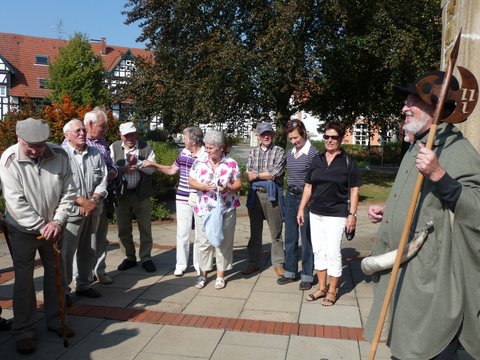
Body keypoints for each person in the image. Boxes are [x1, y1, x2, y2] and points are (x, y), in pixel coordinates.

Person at [364, 70, 480, 360]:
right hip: (406, 278)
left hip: (432, 285)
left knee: (425, 347)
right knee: (404, 346)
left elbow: (476, 209)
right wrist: (389, 209)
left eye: (412, 101)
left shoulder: (457, 150)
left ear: (435, 107)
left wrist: (440, 175)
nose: (404, 108)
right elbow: (419, 199)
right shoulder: (418, 145)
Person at [0, 118, 76, 354]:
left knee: (56, 274)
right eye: (30, 146)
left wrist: (58, 220)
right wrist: (43, 225)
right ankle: (24, 330)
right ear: (18, 139)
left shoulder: (60, 155)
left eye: (40, 146)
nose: (35, 151)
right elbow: (15, 203)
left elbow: (69, 191)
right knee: (24, 280)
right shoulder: (9, 159)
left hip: (54, 225)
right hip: (22, 229)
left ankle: (55, 320)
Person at [297, 121, 362, 306]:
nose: (330, 140)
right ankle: (322, 287)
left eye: (334, 137)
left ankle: (333, 290)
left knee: (333, 251)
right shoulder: (317, 159)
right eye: (327, 137)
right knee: (319, 250)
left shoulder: (348, 162)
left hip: (336, 214)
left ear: (341, 139)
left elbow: (355, 190)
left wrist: (352, 215)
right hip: (315, 212)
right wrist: (302, 208)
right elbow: (309, 186)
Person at [143, 127, 207, 276]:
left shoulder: (205, 155)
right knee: (182, 232)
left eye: (185, 138)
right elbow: (172, 170)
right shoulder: (183, 152)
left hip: (200, 197)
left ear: (193, 140)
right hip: (183, 197)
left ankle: (199, 264)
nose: (183, 140)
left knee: (200, 232)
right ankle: (181, 264)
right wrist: (154, 164)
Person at [188, 130, 241, 289]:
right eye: (206, 147)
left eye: (211, 148)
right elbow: (190, 181)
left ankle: (220, 275)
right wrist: (203, 186)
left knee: (223, 242)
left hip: (226, 208)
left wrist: (228, 188)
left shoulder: (231, 163)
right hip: (204, 208)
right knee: (203, 242)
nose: (207, 150)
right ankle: (202, 274)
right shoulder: (199, 162)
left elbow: (239, 184)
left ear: (221, 148)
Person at [61, 119, 108, 301]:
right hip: (72, 212)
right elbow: (59, 186)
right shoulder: (61, 155)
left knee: (89, 249)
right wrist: (79, 204)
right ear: (67, 135)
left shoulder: (95, 153)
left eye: (83, 130)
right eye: (77, 131)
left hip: (93, 209)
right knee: (66, 252)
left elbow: (103, 179)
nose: (82, 133)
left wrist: (94, 200)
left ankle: (84, 284)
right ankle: (64, 290)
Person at [277, 119, 319, 290]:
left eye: (296, 138)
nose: (294, 141)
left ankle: (307, 275)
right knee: (290, 237)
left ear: (303, 134)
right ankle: (290, 271)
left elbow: (315, 181)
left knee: (307, 238)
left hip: (306, 197)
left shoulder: (313, 154)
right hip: (290, 196)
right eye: (291, 139)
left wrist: (307, 202)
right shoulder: (290, 153)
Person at [110, 122, 157, 273]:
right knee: (123, 228)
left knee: (145, 227)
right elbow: (109, 169)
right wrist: (123, 168)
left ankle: (146, 257)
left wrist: (138, 163)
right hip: (121, 194)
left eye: (132, 134)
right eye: (126, 135)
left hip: (140, 193)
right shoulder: (114, 147)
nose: (130, 138)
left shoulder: (145, 146)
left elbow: (152, 169)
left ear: (137, 133)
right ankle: (129, 257)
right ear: (121, 136)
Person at [243, 122, 286, 277]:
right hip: (255, 195)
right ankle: (253, 263)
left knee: (276, 232)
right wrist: (265, 175)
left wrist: (258, 175)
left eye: (268, 133)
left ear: (273, 134)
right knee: (255, 232)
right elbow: (248, 175)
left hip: (272, 196)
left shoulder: (280, 151)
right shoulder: (253, 153)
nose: (266, 136)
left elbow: (276, 173)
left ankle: (278, 263)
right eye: (263, 134)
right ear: (258, 136)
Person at [84, 108, 119, 285]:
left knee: (101, 236)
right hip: (86, 200)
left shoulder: (102, 141)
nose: (104, 129)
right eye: (102, 126)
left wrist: (113, 171)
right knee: (86, 240)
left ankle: (101, 270)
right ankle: (84, 275)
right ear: (90, 124)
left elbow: (109, 165)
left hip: (104, 196)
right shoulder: (79, 142)